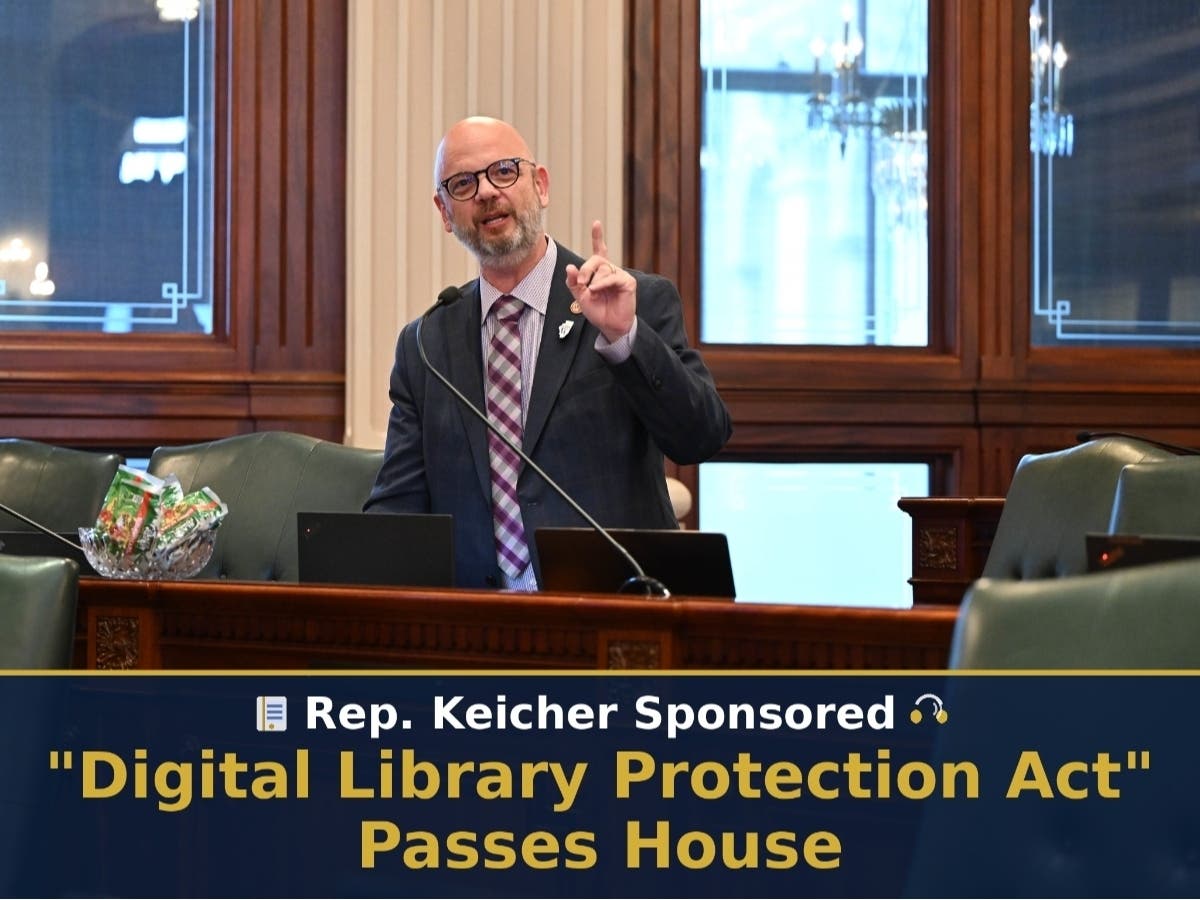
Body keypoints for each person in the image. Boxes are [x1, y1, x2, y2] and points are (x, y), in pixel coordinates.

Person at [365, 116, 732, 589]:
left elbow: (701, 437)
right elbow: (397, 508)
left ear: (540, 185)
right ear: (444, 211)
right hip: (477, 621)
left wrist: (626, 338)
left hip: (607, 606)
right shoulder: (426, 345)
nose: (486, 192)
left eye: (503, 171)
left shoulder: (634, 302)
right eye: (463, 184)